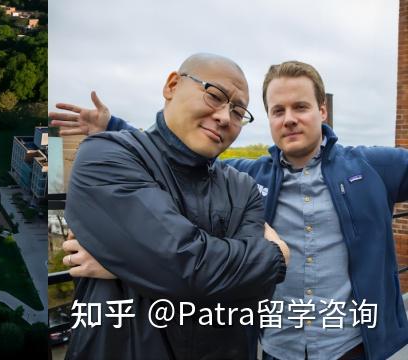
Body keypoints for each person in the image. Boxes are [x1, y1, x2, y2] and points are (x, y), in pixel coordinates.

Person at [54, 60, 408, 360]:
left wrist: (122, 260)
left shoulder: (372, 166)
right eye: (277, 111)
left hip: (350, 345)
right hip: (276, 347)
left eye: (300, 107)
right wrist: (126, 254)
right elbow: (182, 157)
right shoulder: (248, 177)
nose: (289, 119)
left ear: (322, 111)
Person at [62, 53, 290, 359]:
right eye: (215, 96)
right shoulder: (106, 156)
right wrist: (275, 257)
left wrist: (127, 265)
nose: (224, 117)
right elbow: (186, 267)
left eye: (238, 112)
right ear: (172, 85)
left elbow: (253, 298)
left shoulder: (242, 187)